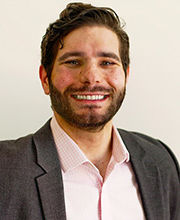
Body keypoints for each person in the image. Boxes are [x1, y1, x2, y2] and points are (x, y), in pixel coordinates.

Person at [0, 2, 179, 220]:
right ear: (45, 78)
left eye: (107, 62)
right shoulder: (5, 170)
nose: (91, 77)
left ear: (126, 76)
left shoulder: (160, 160)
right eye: (73, 61)